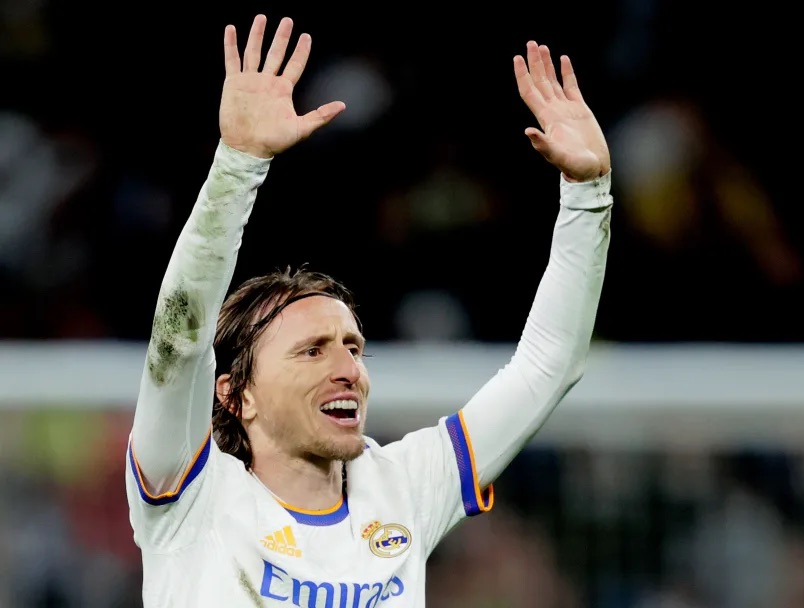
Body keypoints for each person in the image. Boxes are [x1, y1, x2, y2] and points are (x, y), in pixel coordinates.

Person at [124, 14, 613, 608]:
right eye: (311, 351)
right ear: (237, 395)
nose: (348, 369)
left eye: (353, 347)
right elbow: (179, 340)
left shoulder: (403, 487)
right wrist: (237, 166)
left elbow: (548, 365)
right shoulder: (190, 494)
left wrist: (588, 196)